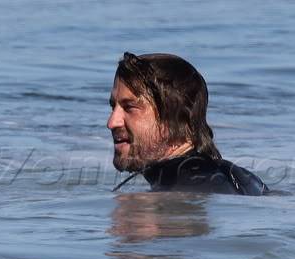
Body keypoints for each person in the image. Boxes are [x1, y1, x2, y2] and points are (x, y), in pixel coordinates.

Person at [107, 52, 268, 195]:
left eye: (130, 107)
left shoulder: (184, 189)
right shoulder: (247, 180)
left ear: (174, 118)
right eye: (113, 107)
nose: (112, 122)